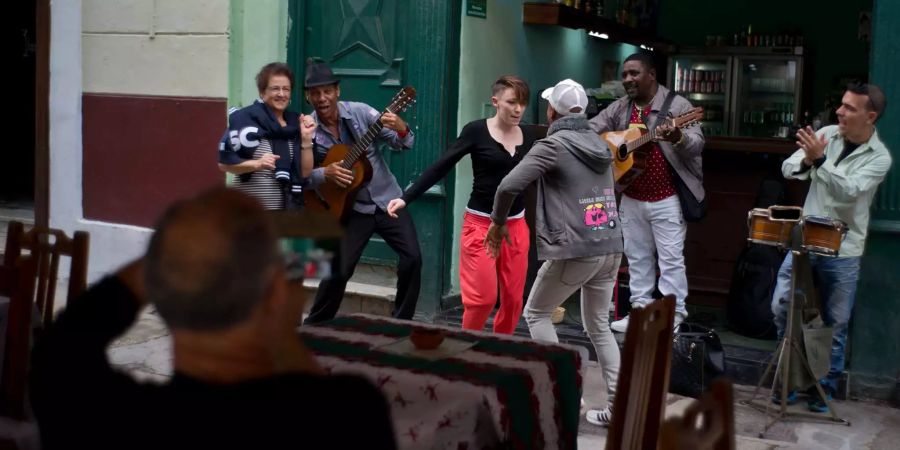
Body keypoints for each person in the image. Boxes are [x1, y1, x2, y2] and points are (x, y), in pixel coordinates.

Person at [30, 188, 397, 450]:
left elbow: (61, 347)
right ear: (276, 299)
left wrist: (168, 261)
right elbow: (319, 244)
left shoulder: (105, 420)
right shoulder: (349, 417)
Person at [484, 79, 624, 426]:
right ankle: (616, 406)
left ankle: (565, 397)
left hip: (577, 250)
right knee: (599, 327)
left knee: (536, 314)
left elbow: (508, 185)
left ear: (551, 112)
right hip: (610, 245)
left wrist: (497, 223)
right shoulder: (599, 144)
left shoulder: (553, 145)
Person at [771, 83, 892, 412]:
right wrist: (810, 162)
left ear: (871, 116)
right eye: (841, 104)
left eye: (850, 108)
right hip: (805, 239)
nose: (840, 111)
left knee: (834, 323)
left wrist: (820, 162)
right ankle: (791, 378)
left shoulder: (879, 158)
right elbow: (788, 168)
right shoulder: (826, 134)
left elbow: (850, 191)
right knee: (783, 306)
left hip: (844, 249)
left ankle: (821, 387)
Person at [385, 76, 536, 334]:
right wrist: (406, 196)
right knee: (482, 300)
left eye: (523, 103)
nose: (518, 109)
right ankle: (466, 347)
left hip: (515, 226)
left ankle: (501, 350)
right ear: (495, 101)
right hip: (480, 224)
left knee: (513, 301)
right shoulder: (475, 131)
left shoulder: (530, 136)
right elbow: (441, 165)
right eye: (512, 102)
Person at [588, 52, 705, 332]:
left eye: (634, 73)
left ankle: (672, 317)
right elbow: (593, 129)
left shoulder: (678, 106)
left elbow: (697, 144)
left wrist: (678, 137)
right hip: (631, 196)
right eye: (625, 74)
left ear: (651, 75)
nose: (628, 79)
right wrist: (611, 146)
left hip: (668, 198)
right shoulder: (621, 107)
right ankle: (639, 313)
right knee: (638, 259)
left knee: (670, 260)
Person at [302, 60, 421, 323]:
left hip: (388, 200)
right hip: (350, 209)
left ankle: (401, 323)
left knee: (412, 258)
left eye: (327, 91)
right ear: (307, 96)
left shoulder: (362, 113)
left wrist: (401, 128)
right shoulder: (307, 131)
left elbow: (404, 142)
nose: (322, 98)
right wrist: (326, 173)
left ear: (337, 91)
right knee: (339, 270)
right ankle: (315, 326)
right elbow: (300, 178)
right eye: (315, 93)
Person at [218, 62, 316, 210]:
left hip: (284, 212)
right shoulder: (244, 121)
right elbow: (224, 164)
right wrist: (258, 164)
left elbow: (305, 172)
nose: (281, 94)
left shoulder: (295, 125)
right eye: (275, 88)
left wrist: (307, 138)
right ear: (262, 92)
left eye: (286, 89)